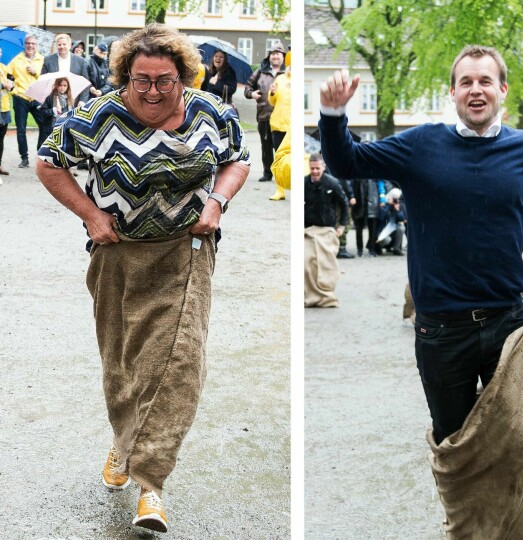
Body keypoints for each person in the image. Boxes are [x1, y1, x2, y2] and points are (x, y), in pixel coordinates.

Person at [35, 24, 250, 533]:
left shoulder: (212, 113)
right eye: (142, 80)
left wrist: (216, 203)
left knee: (174, 362)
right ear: (125, 76)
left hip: (185, 250)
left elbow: (236, 160)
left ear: (184, 77)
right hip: (117, 253)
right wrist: (91, 214)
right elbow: (48, 163)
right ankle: (122, 443)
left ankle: (151, 485)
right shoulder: (97, 115)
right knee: (124, 361)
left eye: (165, 80)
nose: (153, 91)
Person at [318, 45, 523, 445]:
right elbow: (348, 163)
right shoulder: (420, 145)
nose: (476, 89)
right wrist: (333, 116)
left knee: (518, 440)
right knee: (455, 443)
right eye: (465, 81)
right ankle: (461, 512)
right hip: (441, 329)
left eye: (485, 81)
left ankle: (506, 511)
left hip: (508, 322)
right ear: (451, 93)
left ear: (502, 89)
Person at [305, 152, 349, 307]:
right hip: (308, 230)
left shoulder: (332, 183)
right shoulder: (303, 183)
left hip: (327, 231)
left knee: (327, 265)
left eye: (317, 168)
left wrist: (342, 226)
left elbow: (344, 204)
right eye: (312, 169)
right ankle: (310, 296)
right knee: (308, 263)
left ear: (323, 167)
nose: (315, 171)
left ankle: (326, 295)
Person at [244, 44, 286, 183]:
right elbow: (248, 87)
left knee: (281, 148)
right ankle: (267, 173)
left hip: (281, 117)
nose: (275, 56)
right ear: (269, 56)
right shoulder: (261, 71)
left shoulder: (287, 72)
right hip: (264, 115)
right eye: (272, 53)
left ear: (283, 56)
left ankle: (281, 174)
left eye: (278, 53)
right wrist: (251, 94)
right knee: (266, 147)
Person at [8, 33, 44, 168]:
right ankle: (24, 157)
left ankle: (40, 155)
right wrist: (13, 91)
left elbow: (46, 78)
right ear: (24, 45)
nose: (30, 46)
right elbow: (8, 76)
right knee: (21, 129)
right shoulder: (16, 59)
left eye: (33, 43)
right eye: (28, 43)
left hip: (37, 97)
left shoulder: (42, 60)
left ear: (36, 45)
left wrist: (35, 72)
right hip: (21, 98)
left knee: (45, 126)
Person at [41, 33, 91, 103]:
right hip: (54, 100)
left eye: (64, 44)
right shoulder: (48, 60)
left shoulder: (80, 61)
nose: (62, 47)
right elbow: (43, 80)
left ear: (70, 46)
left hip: (74, 101)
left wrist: (82, 100)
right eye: (59, 45)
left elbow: (85, 83)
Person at [38, 77, 75, 146]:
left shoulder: (70, 99)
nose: (62, 88)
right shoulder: (50, 98)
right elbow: (43, 112)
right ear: (56, 85)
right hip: (52, 128)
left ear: (68, 87)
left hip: (66, 128)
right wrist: (53, 110)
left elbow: (73, 114)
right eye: (60, 85)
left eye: (65, 85)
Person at [0, 58, 12, 177]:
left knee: (1, 139)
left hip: (4, 108)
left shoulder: (4, 67)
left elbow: (10, 81)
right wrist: (2, 85)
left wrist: (10, 85)